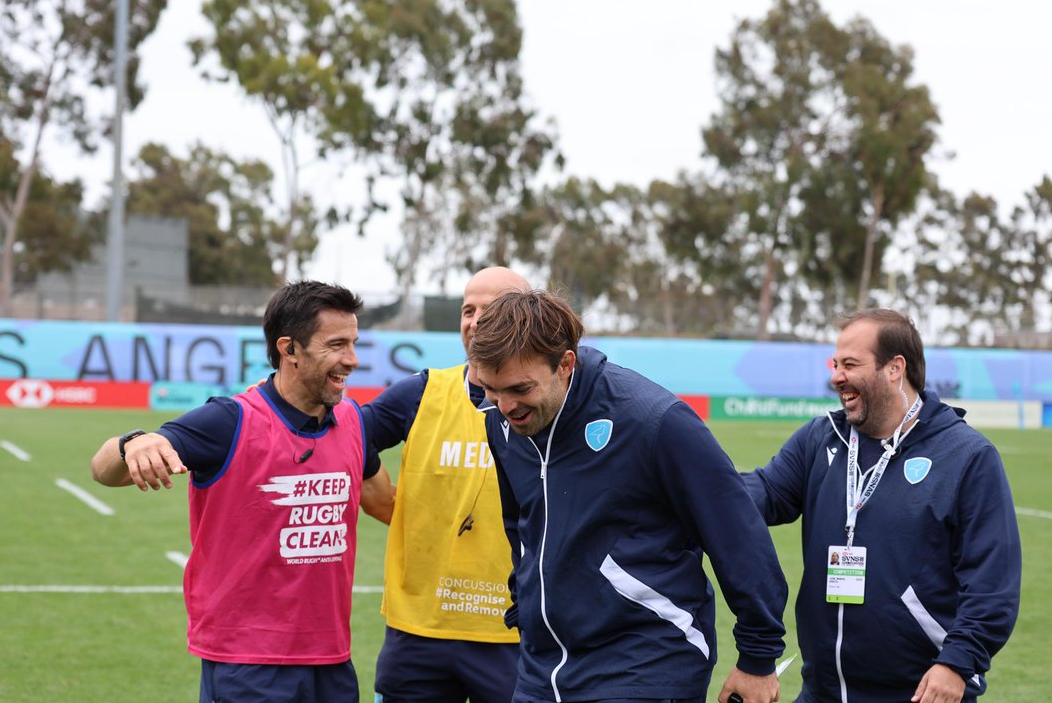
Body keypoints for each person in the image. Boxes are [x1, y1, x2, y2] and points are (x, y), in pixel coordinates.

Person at [468, 289, 788, 703]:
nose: (505, 405)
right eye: (491, 389)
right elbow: (521, 524)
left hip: (646, 661)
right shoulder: (500, 419)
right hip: (541, 670)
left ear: (565, 364)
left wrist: (758, 658)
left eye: (519, 388)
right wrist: (523, 601)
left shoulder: (654, 421)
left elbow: (737, 532)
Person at [90, 280, 394, 703]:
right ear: (289, 349)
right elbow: (104, 471)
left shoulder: (353, 423)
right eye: (337, 345)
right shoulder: (229, 422)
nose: (352, 360)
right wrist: (131, 443)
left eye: (355, 343)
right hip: (247, 665)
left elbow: (389, 505)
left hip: (332, 662)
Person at [744, 309, 1022, 703]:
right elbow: (763, 493)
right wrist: (689, 489)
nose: (837, 376)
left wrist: (958, 662)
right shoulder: (821, 439)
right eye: (836, 364)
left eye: (850, 364)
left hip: (920, 693)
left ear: (895, 368)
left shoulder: (967, 457)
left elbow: (993, 583)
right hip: (822, 690)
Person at [359, 266, 529, 703]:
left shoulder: (551, 408)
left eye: (488, 311)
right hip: (418, 631)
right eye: (467, 310)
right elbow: (343, 437)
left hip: (513, 631)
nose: (473, 321)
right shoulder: (420, 394)